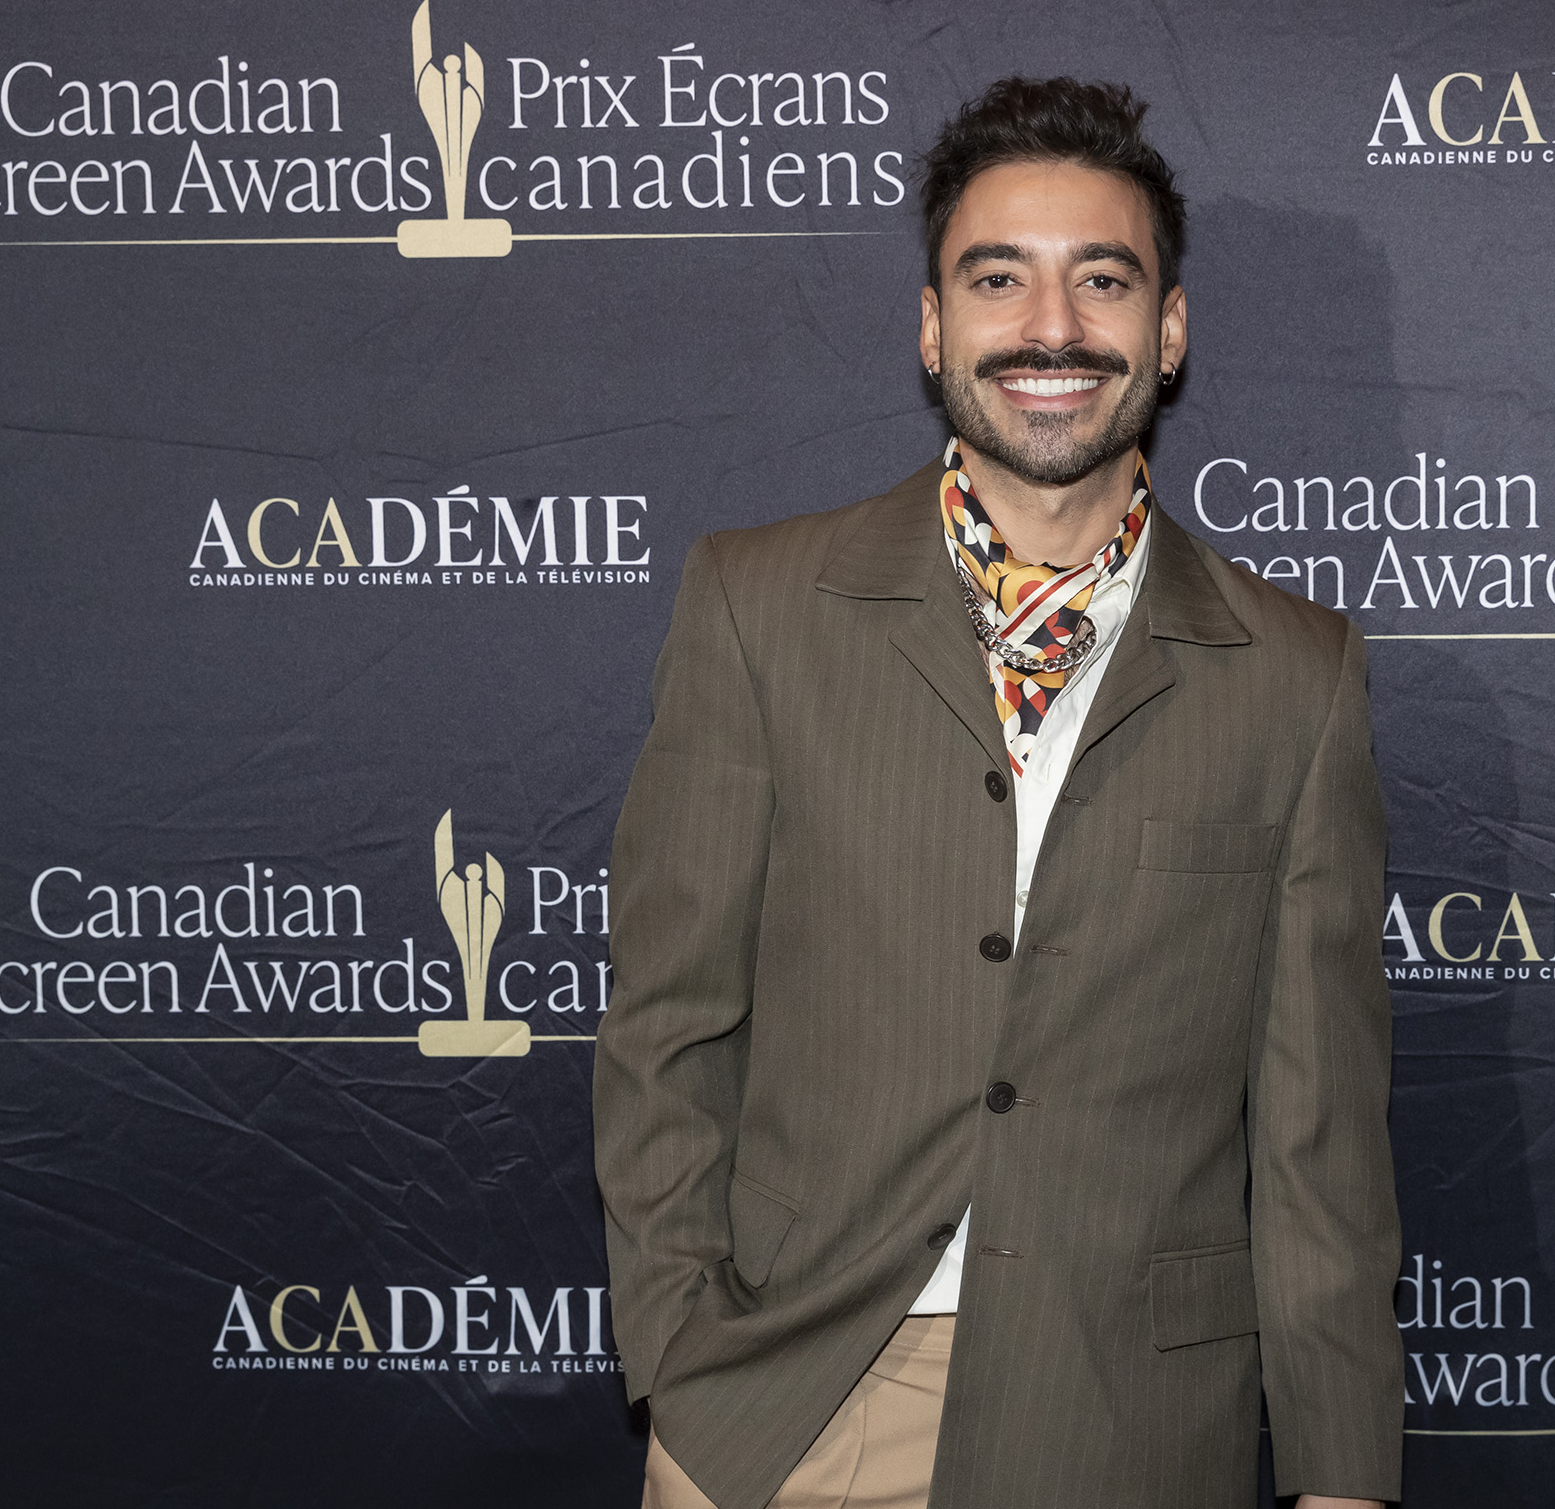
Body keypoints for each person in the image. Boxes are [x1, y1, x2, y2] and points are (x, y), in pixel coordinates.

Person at [594, 76, 1401, 1509]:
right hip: (792, 1401)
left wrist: (1341, 1476)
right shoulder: (757, 607)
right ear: (933, 327)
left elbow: (1317, 1137)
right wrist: (679, 1356)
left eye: (1103, 279)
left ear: (1168, 330)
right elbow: (669, 1025)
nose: (1052, 327)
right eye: (997, 278)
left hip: (1131, 1421)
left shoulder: (1294, 674)